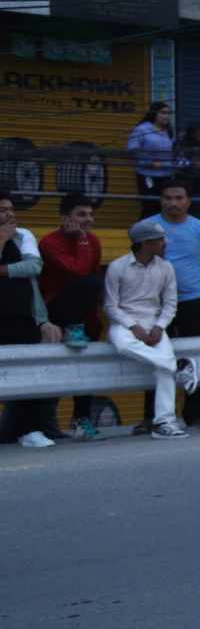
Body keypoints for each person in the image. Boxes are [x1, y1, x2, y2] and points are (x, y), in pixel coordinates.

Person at [104, 220, 199, 439]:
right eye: (160, 240)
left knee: (163, 370)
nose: (165, 243)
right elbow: (110, 306)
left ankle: (164, 423)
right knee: (122, 344)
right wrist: (133, 326)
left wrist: (159, 327)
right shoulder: (117, 267)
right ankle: (179, 366)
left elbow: (170, 303)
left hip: (154, 321)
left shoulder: (166, 267)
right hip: (124, 322)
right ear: (145, 243)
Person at [137, 181, 200, 431]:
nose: (173, 203)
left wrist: (189, 287)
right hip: (154, 304)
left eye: (178, 197)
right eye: (168, 198)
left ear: (188, 201)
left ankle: (195, 414)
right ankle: (152, 417)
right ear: (161, 200)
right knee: (156, 358)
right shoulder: (146, 228)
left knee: (194, 359)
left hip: (191, 301)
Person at [38, 194, 108, 440]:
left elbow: (92, 276)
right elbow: (77, 271)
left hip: (82, 314)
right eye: (81, 215)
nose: (88, 220)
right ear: (65, 218)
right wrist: (81, 240)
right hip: (55, 311)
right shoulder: (49, 242)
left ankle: (81, 420)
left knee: (85, 366)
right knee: (88, 281)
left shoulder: (93, 241)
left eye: (90, 214)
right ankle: (40, 424)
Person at [0, 192, 64, 447]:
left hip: (23, 316)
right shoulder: (9, 237)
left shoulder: (24, 235)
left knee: (28, 373)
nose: (9, 214)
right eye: (3, 209)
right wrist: (2, 240)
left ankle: (30, 431)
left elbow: (34, 267)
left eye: (11, 209)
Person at [127, 101, 177, 218]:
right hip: (147, 174)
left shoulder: (169, 130)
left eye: (169, 113)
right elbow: (132, 151)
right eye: (163, 113)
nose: (167, 116)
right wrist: (149, 162)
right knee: (149, 206)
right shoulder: (142, 129)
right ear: (154, 113)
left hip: (166, 175)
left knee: (163, 207)